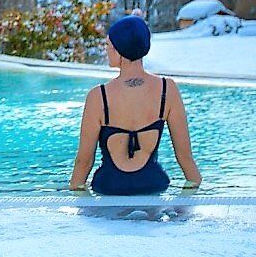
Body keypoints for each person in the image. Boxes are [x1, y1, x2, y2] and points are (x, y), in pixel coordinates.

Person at [68, 15, 202, 195]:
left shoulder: (98, 96)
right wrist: (192, 195)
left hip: (109, 189)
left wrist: (73, 195)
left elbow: (83, 163)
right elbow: (185, 158)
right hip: (153, 186)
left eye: (108, 45)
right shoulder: (167, 89)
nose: (106, 49)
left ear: (119, 50)